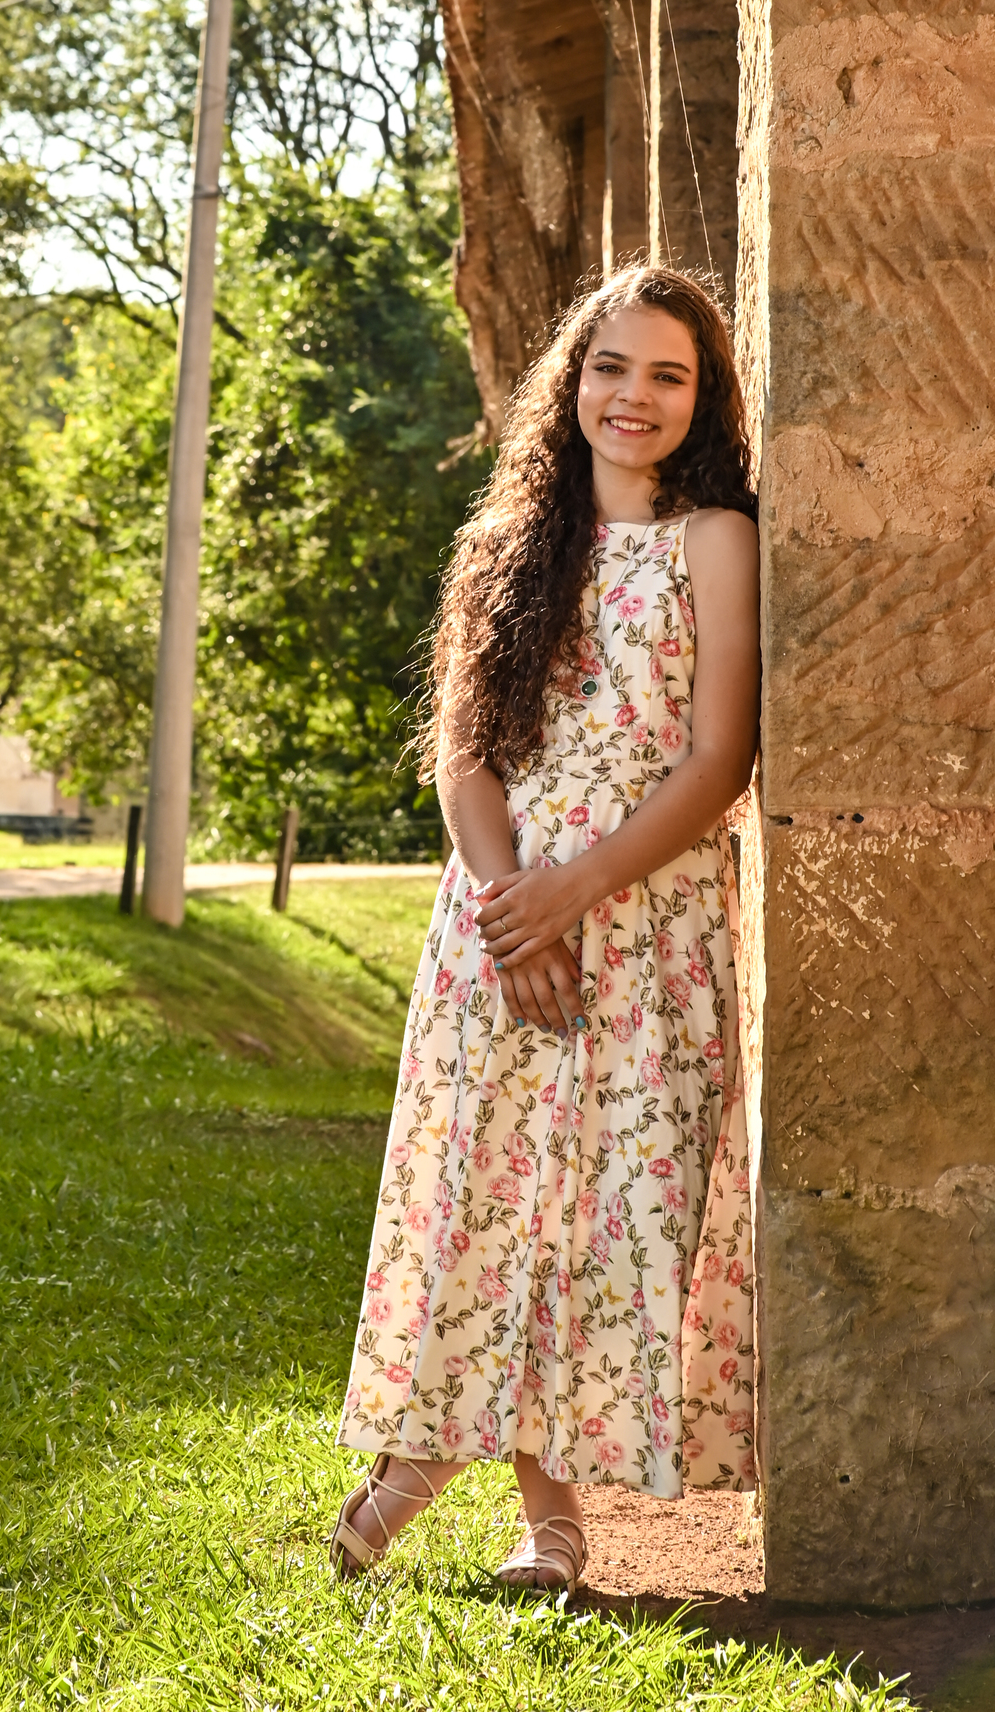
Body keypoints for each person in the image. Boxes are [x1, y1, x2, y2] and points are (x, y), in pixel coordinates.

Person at [331, 265, 760, 1593]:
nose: (633, 396)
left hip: (649, 918)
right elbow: (462, 754)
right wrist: (516, 910)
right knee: (493, 1195)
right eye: (609, 367)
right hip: (501, 914)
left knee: (606, 1212)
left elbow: (720, 759)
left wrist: (579, 893)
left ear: (703, 397)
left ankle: (434, 1469)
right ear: (571, 382)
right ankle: (543, 1522)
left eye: (667, 375)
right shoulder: (503, 544)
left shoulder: (718, 541)